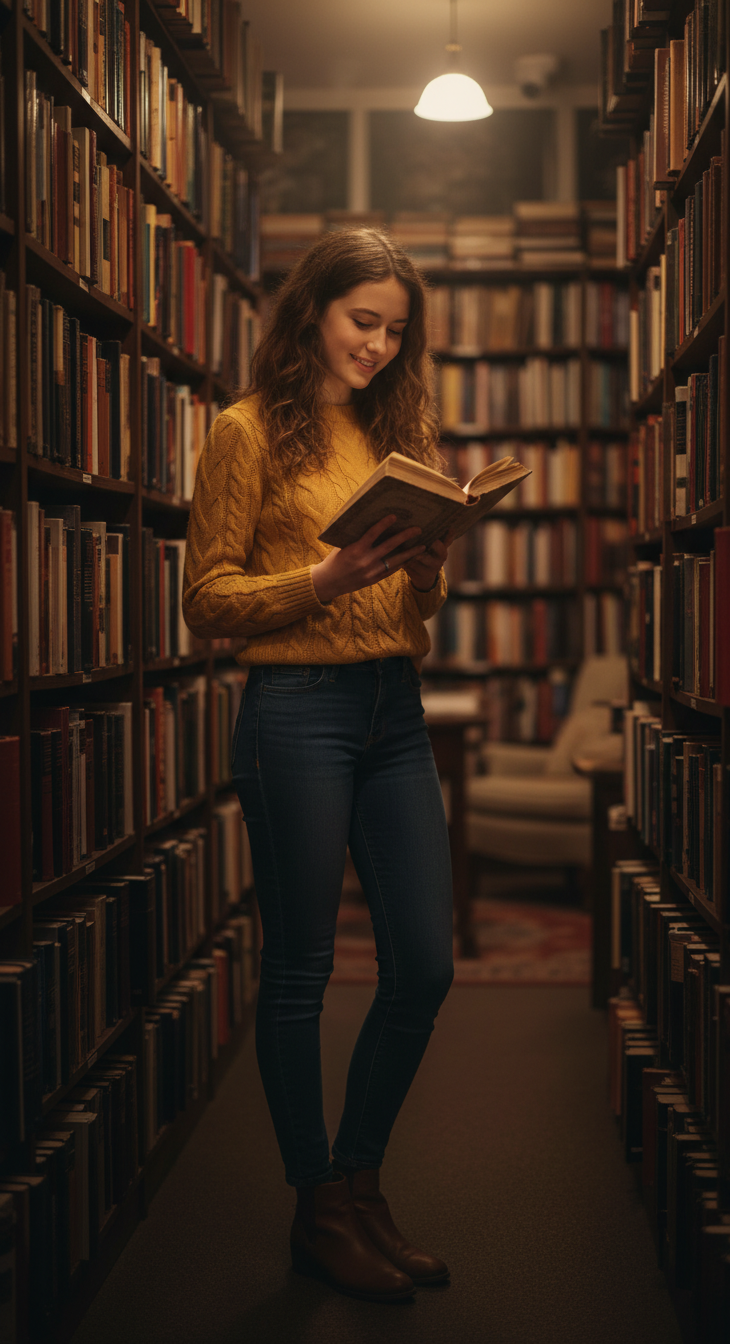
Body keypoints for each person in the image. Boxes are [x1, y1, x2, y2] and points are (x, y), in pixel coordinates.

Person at [182, 228, 455, 1304]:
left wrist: (424, 569)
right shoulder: (245, 433)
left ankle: (361, 1177)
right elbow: (206, 600)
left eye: (396, 330)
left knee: (424, 964)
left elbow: (412, 606)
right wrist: (323, 577)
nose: (380, 347)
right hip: (295, 708)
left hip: (396, 705)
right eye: (363, 321)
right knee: (301, 970)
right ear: (312, 313)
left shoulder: (398, 431)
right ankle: (318, 1208)